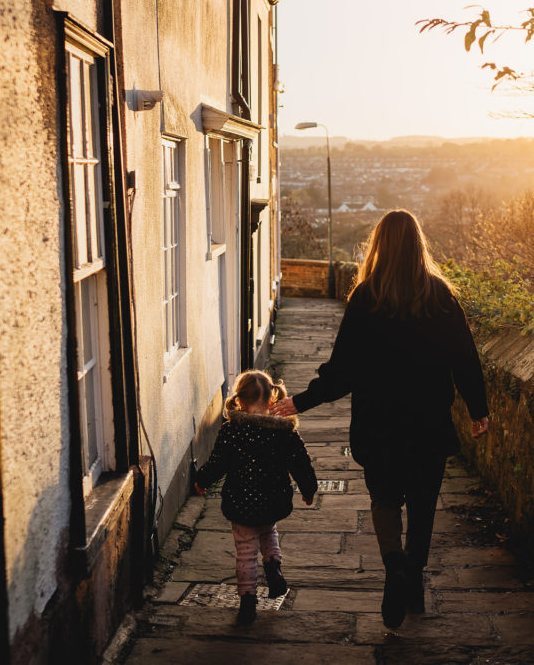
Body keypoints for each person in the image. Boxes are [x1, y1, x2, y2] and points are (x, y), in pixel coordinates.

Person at [270, 209, 489, 629]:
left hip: (378, 426)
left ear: (379, 246)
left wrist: (303, 400)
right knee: (423, 506)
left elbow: (343, 370)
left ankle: (394, 567)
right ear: (418, 245)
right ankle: (413, 581)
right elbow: (465, 358)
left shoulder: (366, 298)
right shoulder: (440, 296)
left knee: (385, 500)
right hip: (428, 425)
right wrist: (478, 408)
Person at [194, 369, 318, 625]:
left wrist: (200, 481)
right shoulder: (284, 432)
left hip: (241, 502)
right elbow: (301, 463)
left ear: (239, 400)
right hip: (273, 501)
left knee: (246, 552)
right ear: (272, 399)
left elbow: (218, 463)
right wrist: (308, 488)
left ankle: (248, 601)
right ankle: (273, 566)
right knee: (268, 530)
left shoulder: (232, 430)